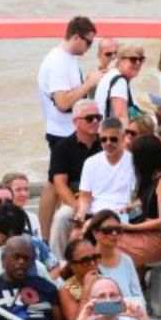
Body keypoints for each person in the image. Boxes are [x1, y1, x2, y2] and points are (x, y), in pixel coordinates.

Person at [37, 16, 103, 238]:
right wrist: (89, 84)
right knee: (54, 184)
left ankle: (54, 233)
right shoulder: (58, 62)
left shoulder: (69, 59)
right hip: (61, 131)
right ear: (75, 37)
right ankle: (46, 236)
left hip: (69, 129)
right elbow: (63, 102)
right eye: (88, 42)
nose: (88, 48)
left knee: (56, 184)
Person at [48, 99, 102, 257]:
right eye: (89, 118)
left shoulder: (106, 143)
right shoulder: (63, 147)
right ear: (75, 122)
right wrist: (78, 207)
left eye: (98, 117)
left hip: (103, 197)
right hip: (76, 198)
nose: (95, 121)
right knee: (62, 217)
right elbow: (59, 184)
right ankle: (58, 261)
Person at [113, 133, 161, 268]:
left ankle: (75, 287)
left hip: (158, 239)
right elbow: (144, 200)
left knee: (106, 244)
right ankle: (74, 286)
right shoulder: (151, 179)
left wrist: (131, 227)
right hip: (144, 232)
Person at [76, 117, 136, 218]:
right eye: (104, 139)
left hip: (123, 214)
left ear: (122, 137)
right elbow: (84, 196)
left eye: (113, 139)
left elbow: (136, 197)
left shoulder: (133, 161)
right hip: (95, 214)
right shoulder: (90, 162)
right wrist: (81, 213)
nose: (108, 143)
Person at [85, 210, 145, 299]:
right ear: (95, 233)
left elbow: (138, 296)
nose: (114, 233)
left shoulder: (126, 260)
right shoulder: (87, 262)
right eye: (107, 230)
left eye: (118, 230)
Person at [95, 43, 145, 121]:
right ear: (120, 60)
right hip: (112, 131)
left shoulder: (112, 76)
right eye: (133, 59)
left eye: (141, 59)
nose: (138, 63)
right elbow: (121, 117)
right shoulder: (119, 82)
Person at [58, 237, 100, 320]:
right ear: (72, 265)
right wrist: (86, 289)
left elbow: (119, 308)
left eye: (95, 257)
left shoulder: (105, 281)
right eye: (86, 261)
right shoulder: (66, 290)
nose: (92, 263)